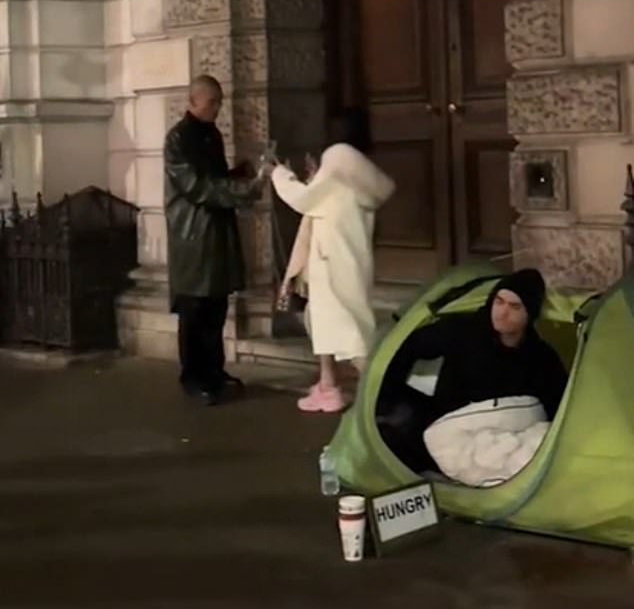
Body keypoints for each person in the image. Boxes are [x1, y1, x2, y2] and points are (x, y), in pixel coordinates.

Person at [377, 269, 569, 472]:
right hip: (446, 425)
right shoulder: (463, 330)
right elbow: (406, 347)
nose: (502, 313)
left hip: (500, 439)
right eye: (499, 301)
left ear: (529, 314)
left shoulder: (540, 356)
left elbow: (557, 410)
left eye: (514, 307)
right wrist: (389, 391)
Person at [268, 107, 395, 413]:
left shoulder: (338, 157)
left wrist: (278, 173)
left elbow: (304, 199)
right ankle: (328, 386)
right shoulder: (359, 167)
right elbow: (327, 196)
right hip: (348, 258)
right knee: (326, 321)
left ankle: (385, 396)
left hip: (331, 260)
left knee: (348, 333)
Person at [164, 75, 269, 405]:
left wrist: (237, 174)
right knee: (195, 309)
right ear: (195, 101)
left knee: (216, 305)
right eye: (213, 103)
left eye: (219, 103)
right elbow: (196, 186)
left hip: (214, 229)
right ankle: (193, 377)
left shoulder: (210, 135)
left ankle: (214, 371)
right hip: (193, 235)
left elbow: (215, 180)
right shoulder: (178, 139)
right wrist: (242, 190)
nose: (217, 109)